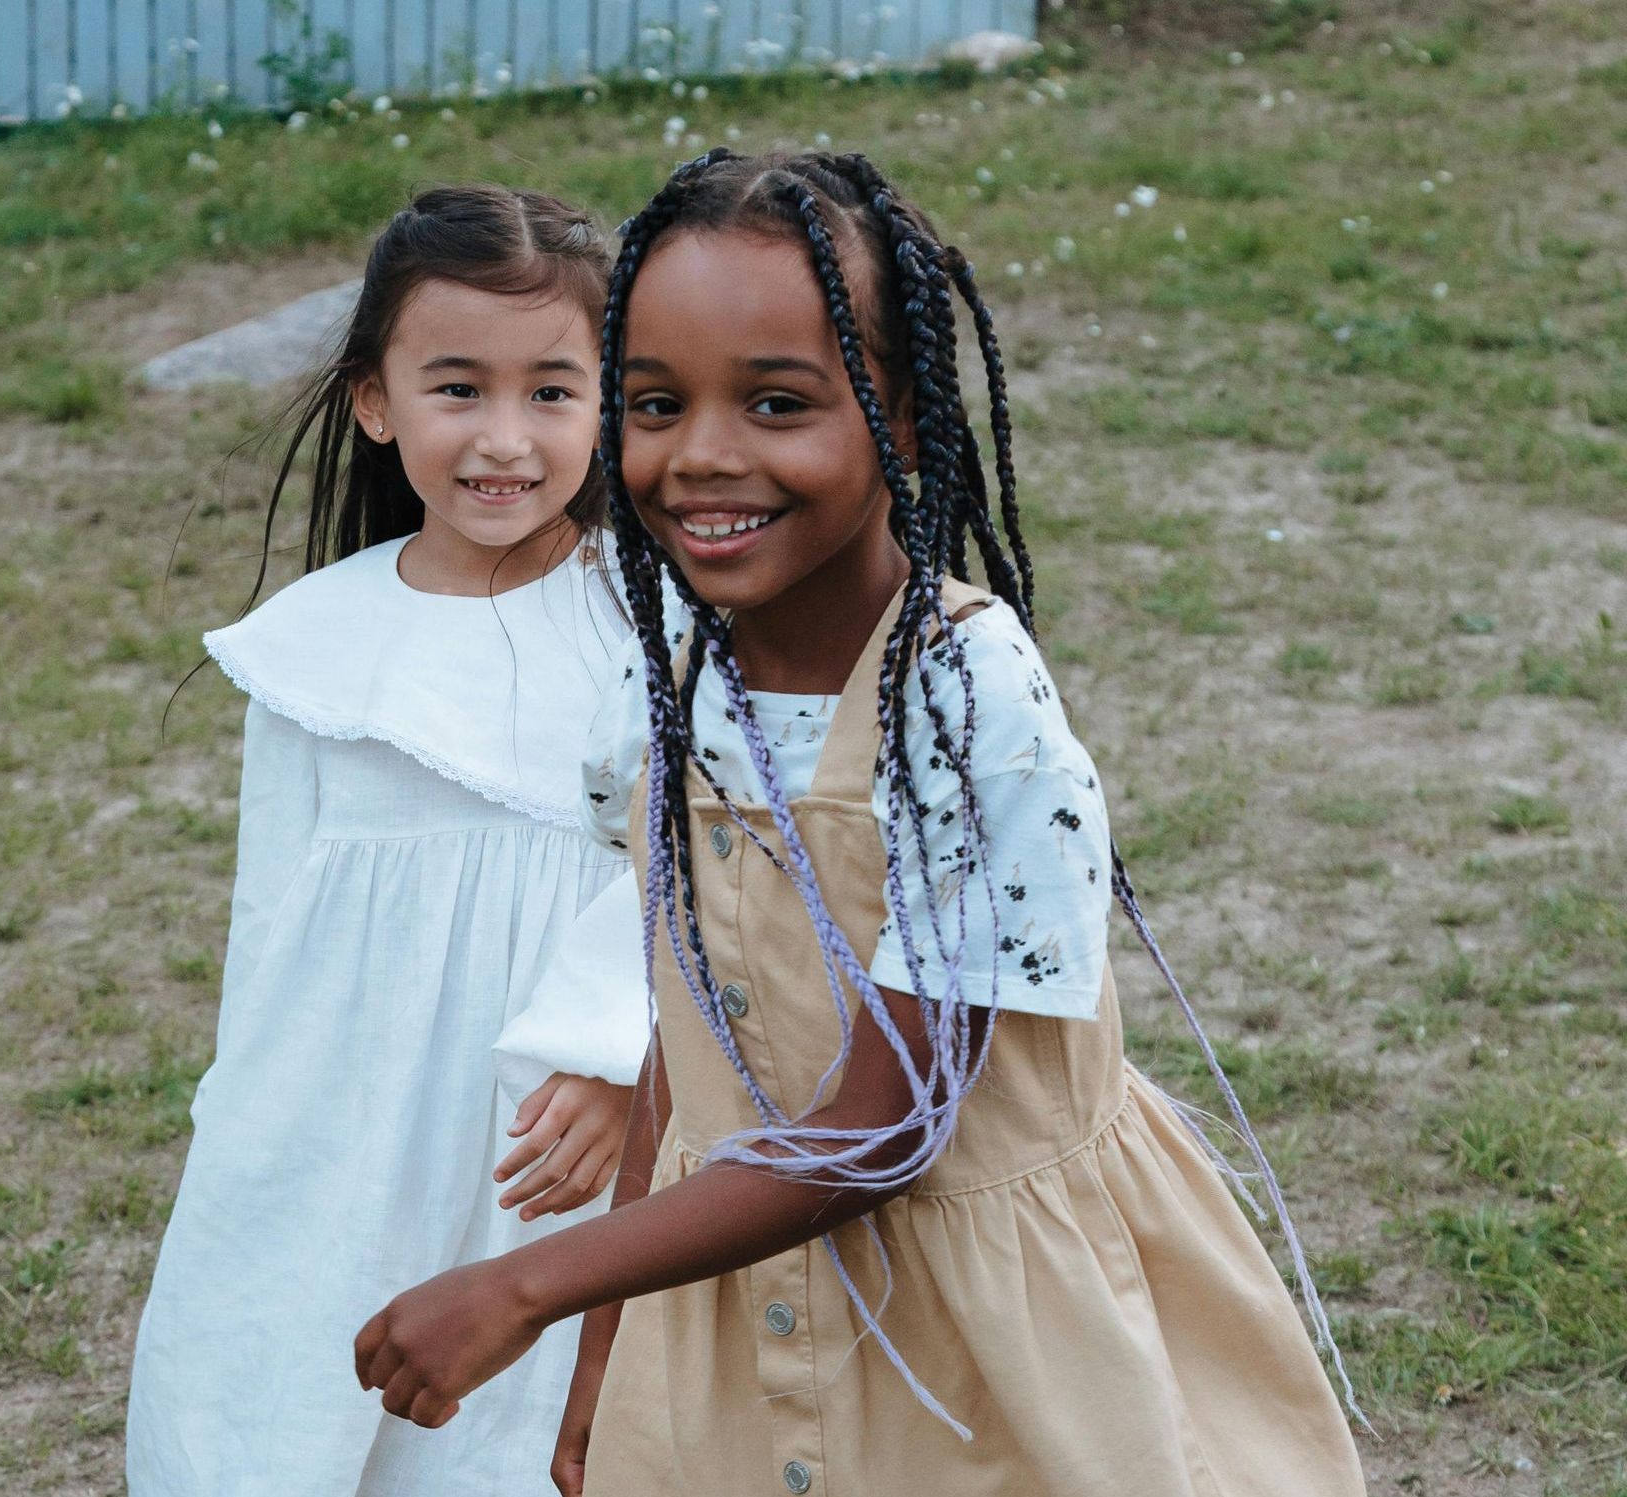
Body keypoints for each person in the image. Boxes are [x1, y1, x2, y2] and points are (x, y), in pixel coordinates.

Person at [352, 150, 1370, 1497]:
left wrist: (530, 1282)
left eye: (778, 402)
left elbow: (888, 1130)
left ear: (901, 409)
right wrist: (606, 1363)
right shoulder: (666, 674)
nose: (704, 454)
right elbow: (687, 1033)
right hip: (725, 1317)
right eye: (654, 403)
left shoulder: (965, 696)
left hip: (990, 1357)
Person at [127, 184, 652, 1496]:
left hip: (545, 1131)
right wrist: (245, 1129)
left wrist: (603, 1061)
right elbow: (272, 922)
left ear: (611, 400)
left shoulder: (650, 631)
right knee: (281, 1402)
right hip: (339, 1119)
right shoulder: (314, 646)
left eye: (552, 392)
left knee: (498, 1439)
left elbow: (683, 878)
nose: (505, 439)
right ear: (376, 400)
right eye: (458, 388)